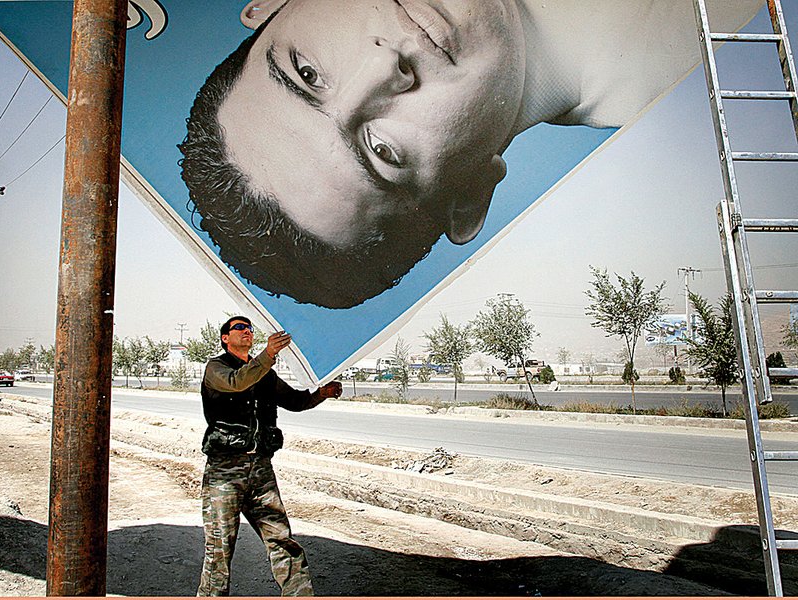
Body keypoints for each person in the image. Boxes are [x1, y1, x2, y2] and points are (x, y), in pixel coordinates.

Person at [179, 0, 761, 309]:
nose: (381, 70)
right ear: (468, 200)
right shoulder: (731, 34)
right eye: (381, 150)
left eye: (307, 72)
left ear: (272, 5)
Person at [197, 315, 342, 596]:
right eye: (239, 328)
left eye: (249, 328)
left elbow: (295, 401)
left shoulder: (264, 372)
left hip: (260, 468)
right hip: (225, 471)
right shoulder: (216, 368)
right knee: (219, 548)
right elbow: (237, 382)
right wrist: (268, 354)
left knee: (282, 541)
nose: (247, 331)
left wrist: (321, 393)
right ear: (225, 338)